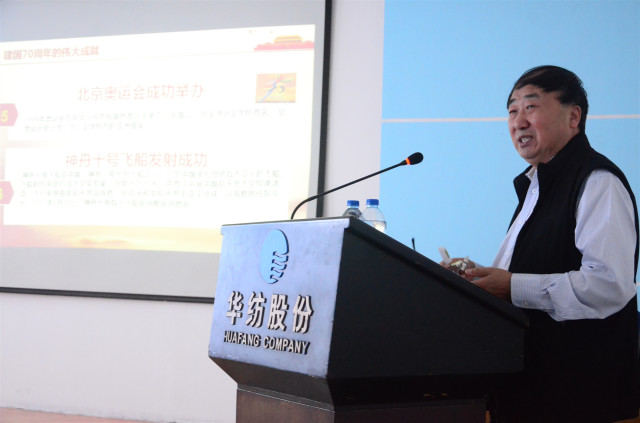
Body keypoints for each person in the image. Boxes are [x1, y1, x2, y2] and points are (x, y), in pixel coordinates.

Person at [445, 65, 640, 422]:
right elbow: (526, 269)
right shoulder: (536, 184)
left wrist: (512, 286)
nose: (518, 122)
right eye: (512, 110)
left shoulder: (597, 181)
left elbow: (607, 285)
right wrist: (476, 277)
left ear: (573, 117)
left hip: (579, 400)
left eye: (530, 107)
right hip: (529, 392)